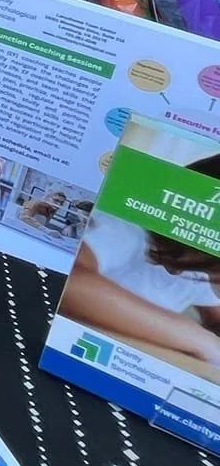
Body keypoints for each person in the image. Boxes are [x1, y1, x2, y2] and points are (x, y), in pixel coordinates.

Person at [59, 153, 220, 372]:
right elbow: (69, 283)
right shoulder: (128, 225)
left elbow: (215, 316)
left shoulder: (200, 268)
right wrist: (199, 340)